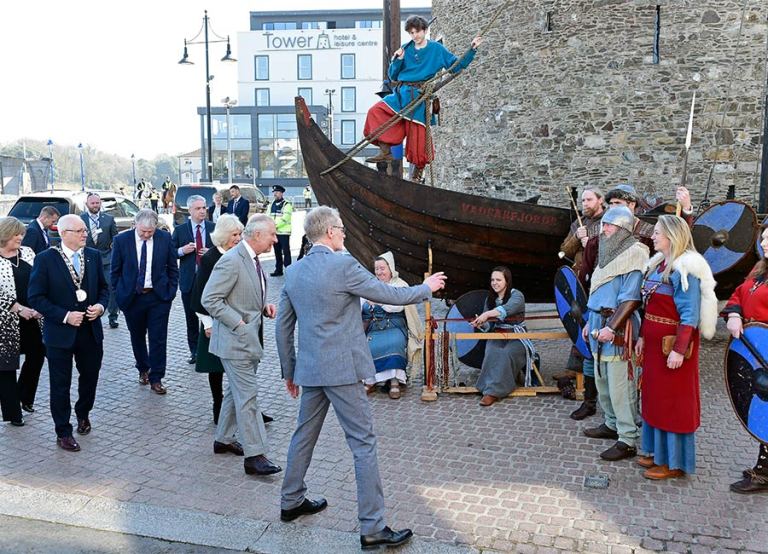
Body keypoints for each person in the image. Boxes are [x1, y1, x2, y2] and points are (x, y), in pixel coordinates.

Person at [276, 206, 446, 550]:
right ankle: (373, 526)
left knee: (303, 435)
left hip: (311, 369)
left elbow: (283, 326)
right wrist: (425, 287)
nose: (344, 234)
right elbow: (389, 295)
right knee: (363, 444)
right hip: (342, 370)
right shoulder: (343, 265)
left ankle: (290, 501)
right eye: (340, 229)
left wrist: (289, 371)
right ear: (329, 233)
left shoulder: (294, 273)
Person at [635, 215, 717, 480]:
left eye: (658, 233)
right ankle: (656, 453)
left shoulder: (684, 270)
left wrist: (679, 350)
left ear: (671, 236)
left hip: (672, 350)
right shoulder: (659, 266)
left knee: (673, 404)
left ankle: (674, 462)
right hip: (654, 347)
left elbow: (689, 315)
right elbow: (648, 309)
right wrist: (641, 338)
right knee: (655, 400)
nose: (653, 236)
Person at [202, 214, 281, 476]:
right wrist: (238, 323)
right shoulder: (231, 260)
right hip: (235, 343)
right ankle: (255, 455)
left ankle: (222, 439)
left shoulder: (253, 259)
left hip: (248, 341)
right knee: (248, 397)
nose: (275, 239)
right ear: (257, 235)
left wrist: (263, 307)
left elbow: (247, 294)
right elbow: (210, 299)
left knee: (233, 393)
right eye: (272, 234)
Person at [363, 15, 482, 182]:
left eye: (417, 31)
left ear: (425, 30)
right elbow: (392, 76)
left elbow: (456, 66)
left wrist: (472, 50)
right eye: (411, 33)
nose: (415, 36)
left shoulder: (436, 49)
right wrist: (398, 60)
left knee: (419, 141)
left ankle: (417, 176)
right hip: (401, 95)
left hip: (419, 99)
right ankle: (385, 151)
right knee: (376, 111)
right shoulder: (406, 49)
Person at [28, 214, 109, 452]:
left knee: (90, 377)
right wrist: (64, 315)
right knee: (60, 384)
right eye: (80, 230)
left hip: (90, 331)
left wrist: (101, 307)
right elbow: (36, 297)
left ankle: (83, 413)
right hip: (60, 334)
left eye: (85, 230)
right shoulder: (45, 260)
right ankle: (63, 431)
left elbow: (104, 288)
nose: (85, 234)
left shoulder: (93, 256)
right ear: (64, 234)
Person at [582, 206, 649, 461]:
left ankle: (627, 438)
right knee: (603, 382)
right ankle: (611, 424)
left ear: (622, 230)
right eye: (604, 225)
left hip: (618, 328)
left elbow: (631, 299)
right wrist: (591, 320)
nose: (604, 230)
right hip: (599, 323)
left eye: (609, 226)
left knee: (621, 386)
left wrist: (612, 327)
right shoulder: (606, 255)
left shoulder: (635, 255)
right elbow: (597, 293)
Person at [111, 209, 178, 394]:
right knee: (137, 336)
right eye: (143, 232)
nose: (147, 235)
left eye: (150, 232)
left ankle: (157, 377)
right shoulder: (121, 240)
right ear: (135, 225)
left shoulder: (164, 238)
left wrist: (171, 291)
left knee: (158, 338)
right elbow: (115, 271)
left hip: (158, 297)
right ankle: (143, 368)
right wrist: (119, 293)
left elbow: (173, 267)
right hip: (132, 298)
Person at [723, 223, 768, 494]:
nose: (764, 243)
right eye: (763, 238)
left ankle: (763, 473)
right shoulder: (760, 270)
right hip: (755, 351)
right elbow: (739, 293)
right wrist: (735, 314)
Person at [190, 214, 243, 425]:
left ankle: (245, 408)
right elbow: (199, 296)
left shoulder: (237, 254)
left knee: (238, 368)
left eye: (240, 234)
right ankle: (218, 408)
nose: (238, 238)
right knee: (216, 369)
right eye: (234, 234)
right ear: (222, 236)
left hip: (233, 321)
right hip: (214, 323)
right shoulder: (210, 259)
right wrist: (208, 324)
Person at [558, 186, 605, 418]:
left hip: (601, 282)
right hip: (581, 284)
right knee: (580, 328)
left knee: (597, 334)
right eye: (583, 200)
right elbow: (564, 249)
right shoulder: (579, 224)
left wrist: (591, 244)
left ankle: (598, 387)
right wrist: (578, 238)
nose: (585, 204)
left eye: (589, 199)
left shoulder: (609, 222)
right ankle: (582, 386)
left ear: (600, 200)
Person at [469, 266, 537, 406]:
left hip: (517, 336)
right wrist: (481, 324)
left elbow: (506, 310)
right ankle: (488, 387)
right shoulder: (490, 299)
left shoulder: (517, 295)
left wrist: (487, 314)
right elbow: (489, 326)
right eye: (492, 280)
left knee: (506, 353)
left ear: (507, 281)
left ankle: (493, 392)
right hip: (498, 334)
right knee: (491, 351)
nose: (495, 283)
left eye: (498, 280)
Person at [361, 252, 424, 399]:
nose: (379, 272)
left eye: (382, 268)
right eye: (376, 269)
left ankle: (395, 380)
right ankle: (371, 380)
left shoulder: (400, 285)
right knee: (366, 345)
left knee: (394, 342)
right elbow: (362, 307)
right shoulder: (371, 286)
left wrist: (378, 301)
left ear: (390, 268)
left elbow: (398, 307)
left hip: (395, 326)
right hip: (375, 327)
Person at [0, 217, 44, 425]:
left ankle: (24, 397)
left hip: (33, 317)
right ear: (4, 235)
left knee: (37, 355)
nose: (20, 237)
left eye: (21, 234)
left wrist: (41, 305)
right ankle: (12, 413)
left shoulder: (27, 253)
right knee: (6, 366)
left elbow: (42, 278)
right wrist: (17, 308)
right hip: (5, 322)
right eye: (16, 234)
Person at [172, 195, 215, 365]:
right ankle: (195, 351)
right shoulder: (181, 230)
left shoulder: (213, 228)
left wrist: (211, 252)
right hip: (189, 280)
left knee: (211, 315)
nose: (202, 211)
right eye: (198, 208)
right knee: (191, 318)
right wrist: (182, 250)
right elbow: (170, 253)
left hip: (210, 281)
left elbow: (225, 250)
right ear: (190, 210)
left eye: (204, 207)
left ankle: (212, 349)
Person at [81, 193, 120, 329]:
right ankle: (88, 313)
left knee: (111, 287)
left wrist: (114, 255)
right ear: (87, 204)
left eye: (97, 203)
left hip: (106, 259)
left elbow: (116, 240)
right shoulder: (80, 219)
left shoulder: (108, 219)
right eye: (92, 203)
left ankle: (113, 316)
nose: (95, 206)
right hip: (87, 260)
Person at [268, 185, 293, 277]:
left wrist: (275, 226)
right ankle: (278, 270)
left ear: (281, 193)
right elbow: (268, 217)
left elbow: (285, 218)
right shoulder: (271, 204)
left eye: (277, 192)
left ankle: (289, 270)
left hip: (284, 232)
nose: (275, 194)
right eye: (274, 192)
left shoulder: (287, 204)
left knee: (286, 252)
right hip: (275, 233)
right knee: (277, 252)